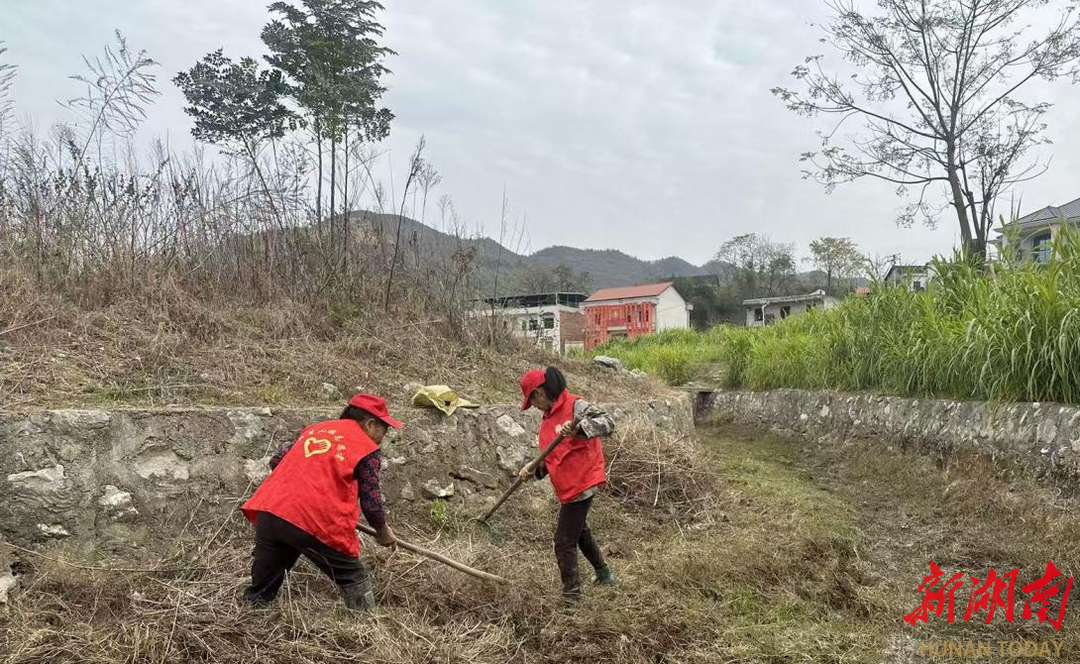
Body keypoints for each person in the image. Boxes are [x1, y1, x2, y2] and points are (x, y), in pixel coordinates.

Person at [240, 393, 401, 611]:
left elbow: (277, 460)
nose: (384, 436)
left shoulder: (315, 430)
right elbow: (371, 502)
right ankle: (369, 627)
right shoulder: (366, 447)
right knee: (353, 576)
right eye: (385, 429)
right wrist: (382, 531)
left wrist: (299, 490)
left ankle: (251, 617)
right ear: (371, 424)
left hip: (271, 511)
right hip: (312, 519)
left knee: (262, 588)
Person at [517, 366, 617, 601]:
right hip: (568, 485)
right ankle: (604, 574)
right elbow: (553, 455)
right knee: (579, 531)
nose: (536, 407)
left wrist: (578, 428)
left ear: (539, 393)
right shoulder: (548, 417)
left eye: (533, 401)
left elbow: (608, 422)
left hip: (582, 481)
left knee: (563, 541)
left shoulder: (575, 406)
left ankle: (571, 596)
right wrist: (533, 470)